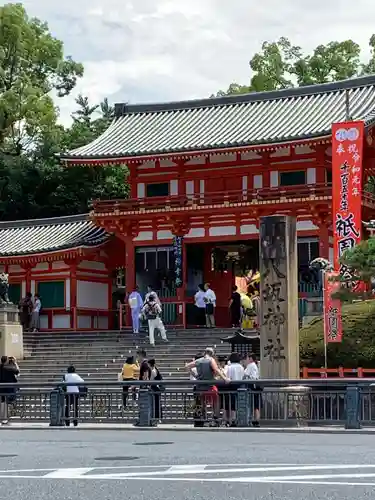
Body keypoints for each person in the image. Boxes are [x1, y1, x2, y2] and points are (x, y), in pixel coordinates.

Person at [185, 347, 228, 427]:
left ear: (205, 353)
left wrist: (195, 375)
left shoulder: (198, 361)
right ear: (212, 354)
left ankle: (202, 419)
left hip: (200, 386)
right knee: (216, 401)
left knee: (202, 403)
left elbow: (187, 366)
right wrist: (225, 378)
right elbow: (216, 370)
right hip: (210, 386)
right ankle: (215, 418)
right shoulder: (211, 360)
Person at [223, 352, 245, 427]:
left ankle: (228, 420)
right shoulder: (241, 367)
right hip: (240, 386)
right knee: (235, 404)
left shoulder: (229, 367)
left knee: (228, 404)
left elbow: (226, 376)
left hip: (230, 386)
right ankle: (234, 419)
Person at [0, 356, 19, 425]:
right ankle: (5, 418)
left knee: (2, 403)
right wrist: (15, 363)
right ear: (7, 361)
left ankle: (2, 418)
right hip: (8, 389)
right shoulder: (9, 368)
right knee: (7, 403)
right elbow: (18, 372)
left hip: (1, 389)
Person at [243, 353, 261, 427]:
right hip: (255, 386)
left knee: (251, 404)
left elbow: (244, 374)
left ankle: (251, 419)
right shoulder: (255, 365)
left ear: (250, 358)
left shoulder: (250, 365)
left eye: (247, 358)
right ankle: (256, 420)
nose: (246, 360)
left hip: (251, 386)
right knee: (256, 405)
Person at [149, 358, 163, 424]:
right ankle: (158, 417)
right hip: (156, 388)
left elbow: (151, 380)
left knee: (155, 404)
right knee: (157, 403)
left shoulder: (153, 371)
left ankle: (156, 418)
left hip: (154, 388)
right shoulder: (155, 369)